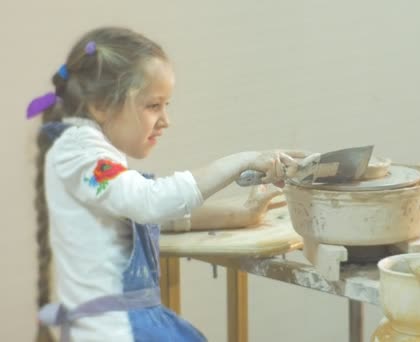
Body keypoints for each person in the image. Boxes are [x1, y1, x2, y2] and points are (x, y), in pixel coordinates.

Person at [28, 26, 301, 341]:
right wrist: (242, 160)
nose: (165, 120)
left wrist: (241, 215)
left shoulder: (92, 159)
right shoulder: (81, 156)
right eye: (153, 105)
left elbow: (148, 216)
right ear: (101, 104)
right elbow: (148, 203)